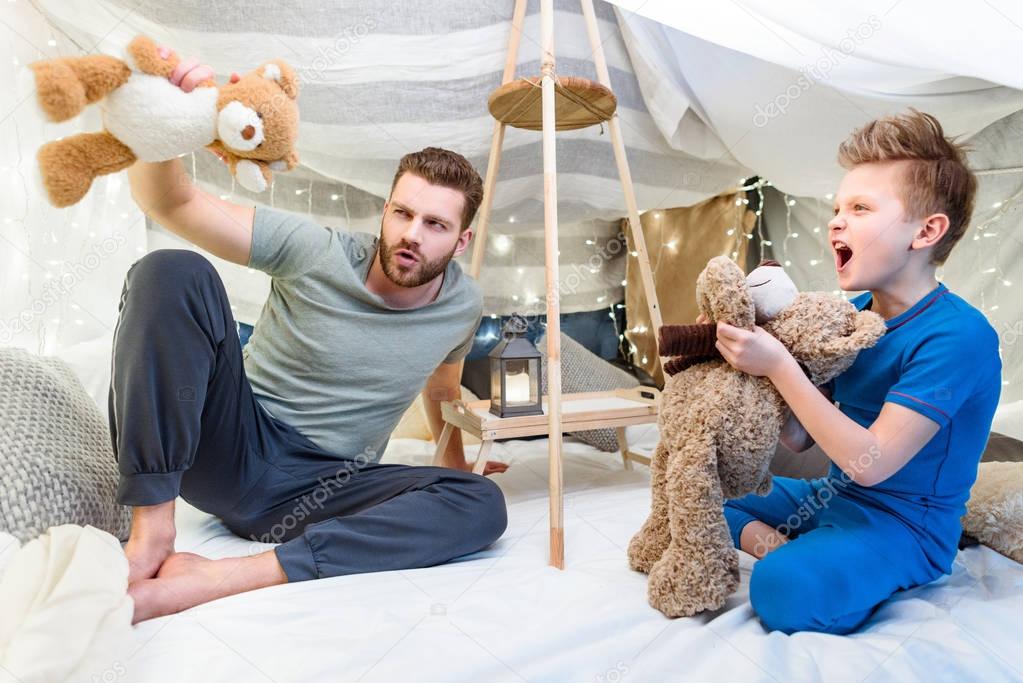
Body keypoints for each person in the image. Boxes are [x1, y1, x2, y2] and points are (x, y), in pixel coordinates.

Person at [116, 55, 507, 623]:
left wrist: (455, 468)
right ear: (386, 209)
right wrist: (164, 124)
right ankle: (152, 528)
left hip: (328, 486)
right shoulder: (316, 250)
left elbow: (444, 391)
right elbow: (171, 203)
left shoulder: (464, 306)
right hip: (233, 447)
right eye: (402, 213)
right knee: (171, 270)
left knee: (481, 507)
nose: (410, 236)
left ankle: (226, 576)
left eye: (435, 225)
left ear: (462, 240)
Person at [714, 110, 1001, 634]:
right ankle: (795, 548)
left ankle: (796, 561)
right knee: (707, 490)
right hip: (833, 497)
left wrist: (780, 369)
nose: (835, 221)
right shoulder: (856, 319)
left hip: (905, 526)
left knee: (779, 588)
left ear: (926, 232)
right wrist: (762, 365)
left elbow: (871, 463)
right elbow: (801, 439)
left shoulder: (959, 337)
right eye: (837, 208)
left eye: (861, 208)